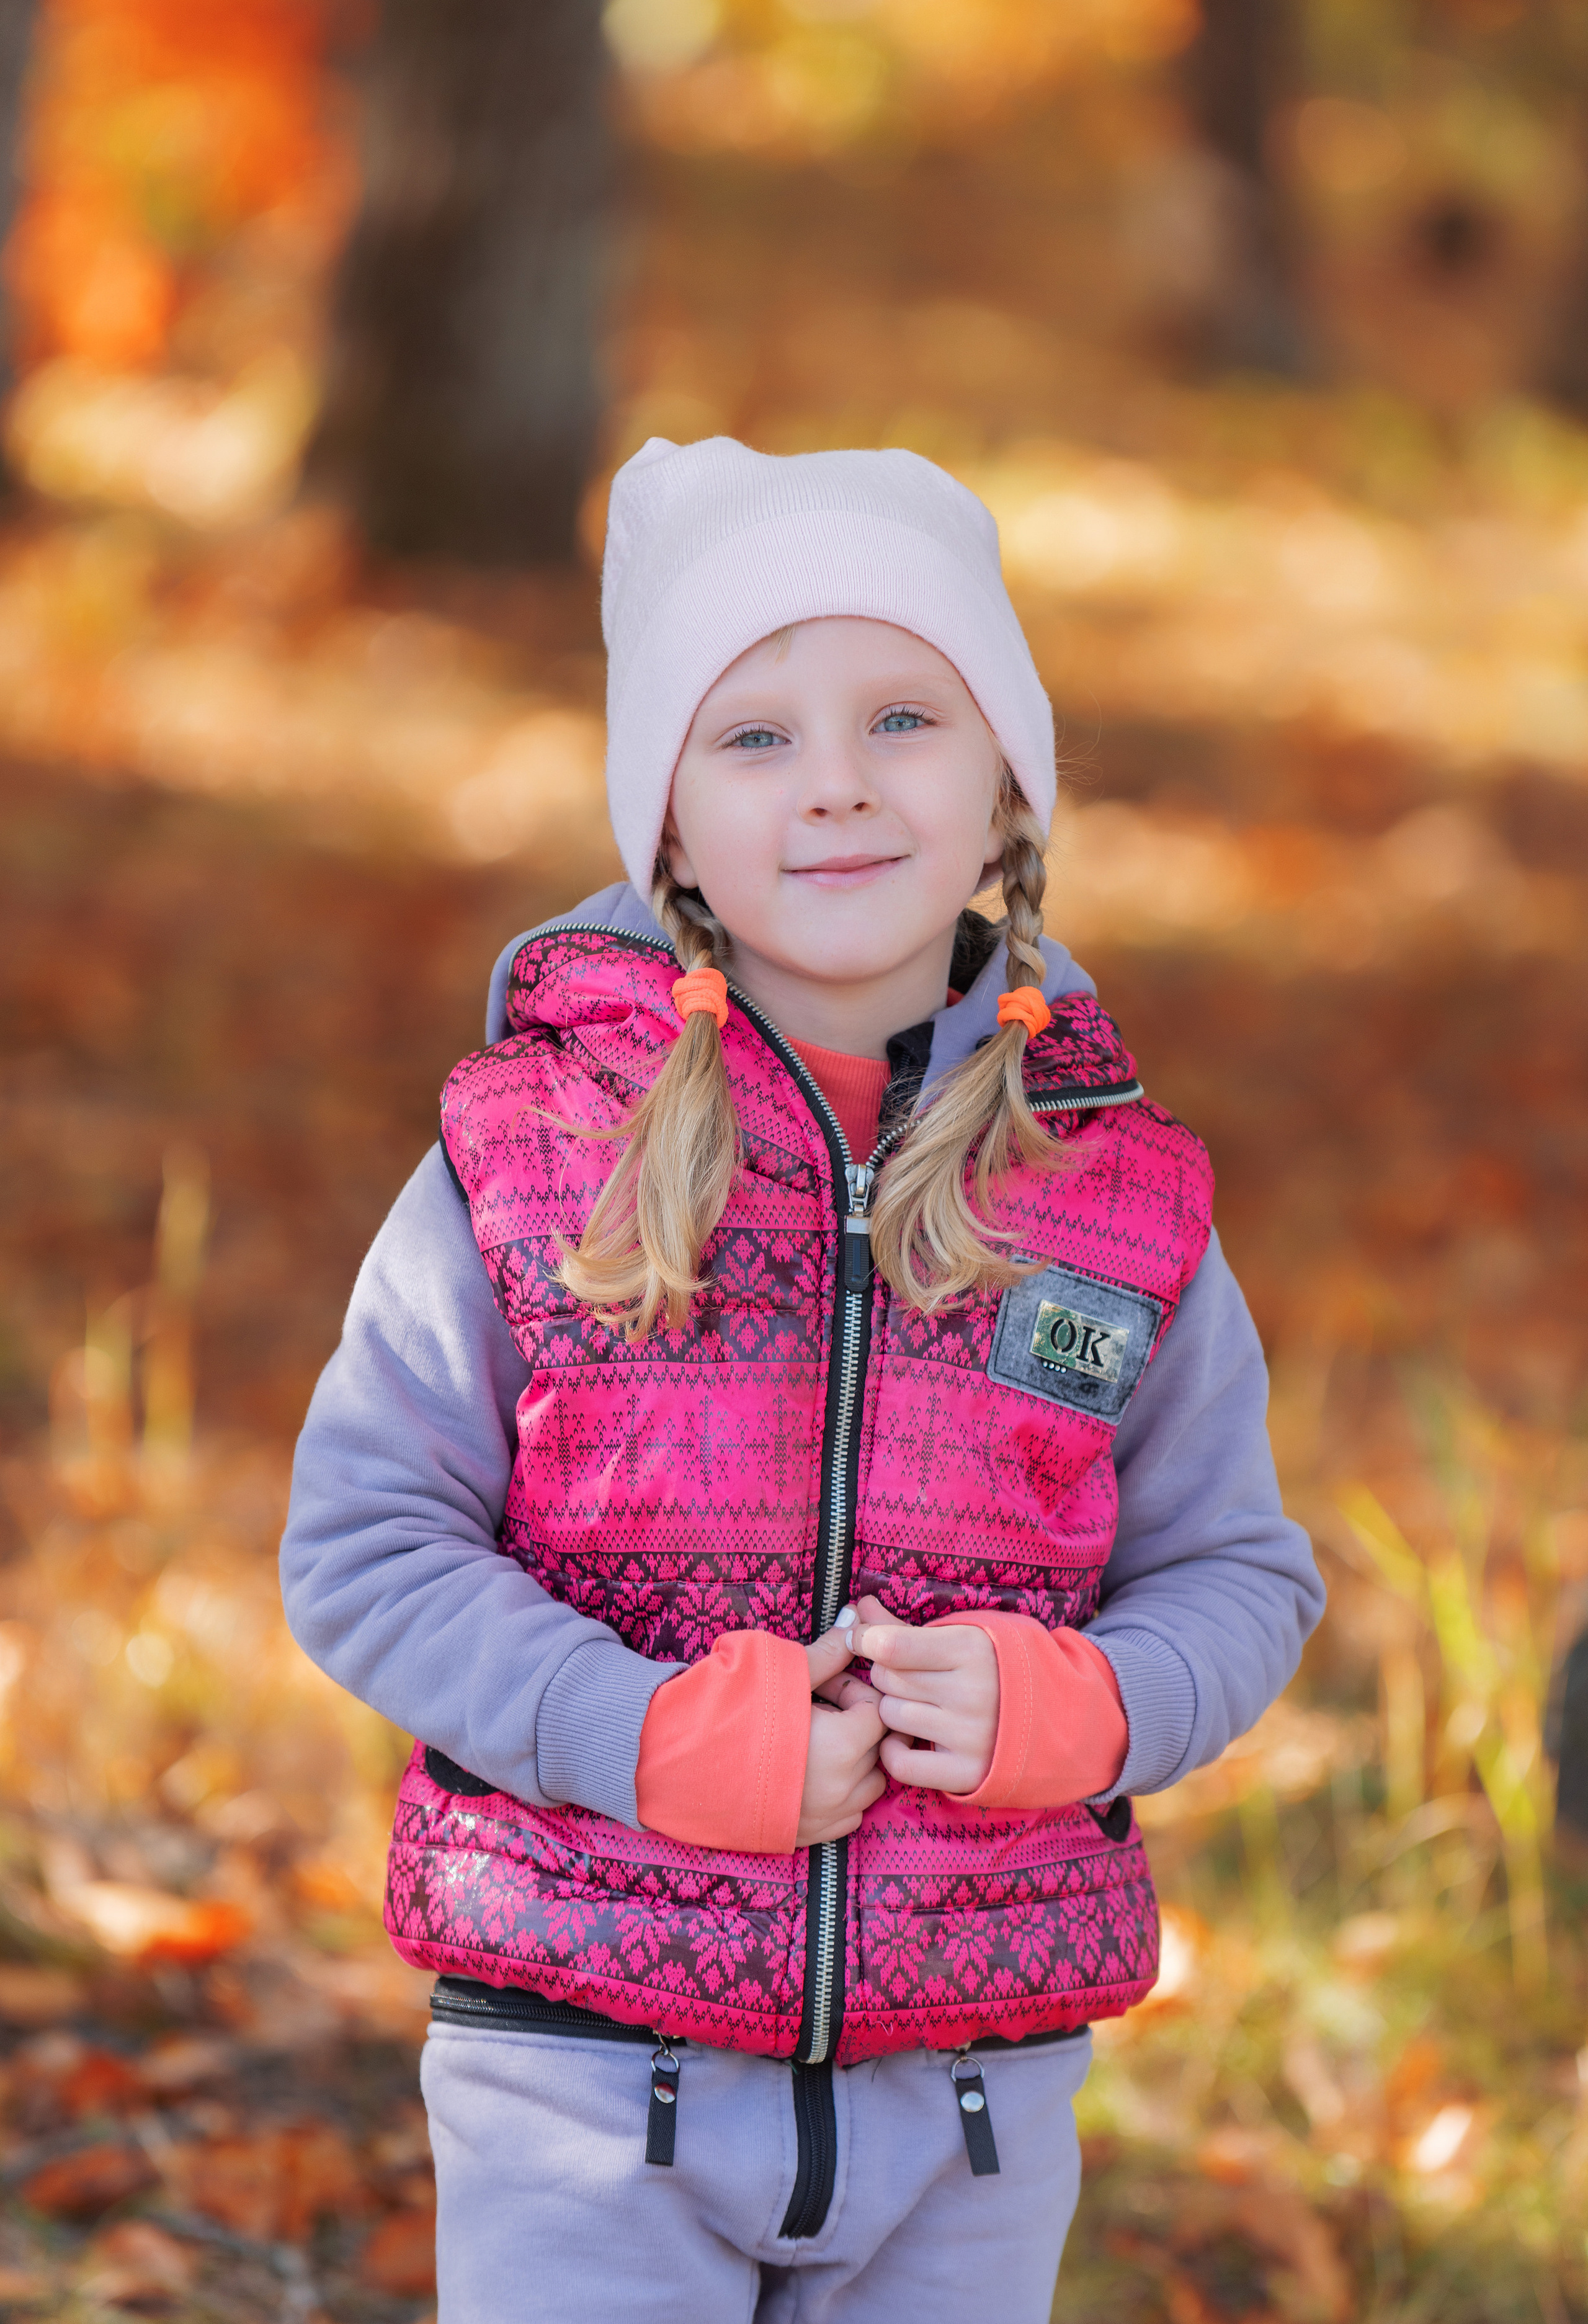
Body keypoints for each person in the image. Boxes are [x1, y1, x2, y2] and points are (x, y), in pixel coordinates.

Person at [281, 437, 1325, 2322]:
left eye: (905, 714)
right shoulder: (531, 1154)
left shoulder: (1113, 1192)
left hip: (976, 2099)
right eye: (752, 735)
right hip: (589, 2065)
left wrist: (1081, 1706)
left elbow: (1241, 1575)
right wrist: (642, 1730)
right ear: (663, 821)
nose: (836, 781)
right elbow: (365, 1543)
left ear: (1008, 787)